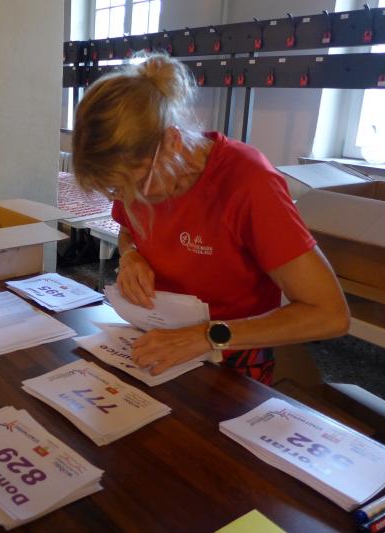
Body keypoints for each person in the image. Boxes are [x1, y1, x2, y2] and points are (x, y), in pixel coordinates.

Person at [72, 54, 349, 385]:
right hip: (157, 340)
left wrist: (206, 336)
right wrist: (130, 255)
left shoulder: (249, 182)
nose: (126, 200)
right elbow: (128, 229)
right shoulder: (139, 178)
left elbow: (330, 314)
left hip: (230, 359)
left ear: (172, 142)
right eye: (115, 191)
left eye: (132, 187)